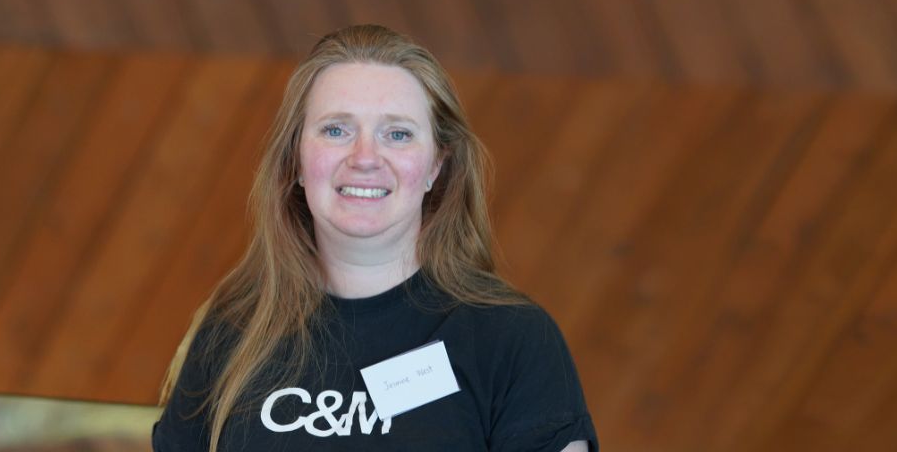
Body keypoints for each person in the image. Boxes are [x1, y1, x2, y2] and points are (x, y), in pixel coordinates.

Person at [151, 24, 597, 451]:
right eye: (336, 130)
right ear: (298, 160)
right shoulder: (231, 331)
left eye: (397, 133)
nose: (365, 157)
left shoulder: (510, 338)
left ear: (436, 167)